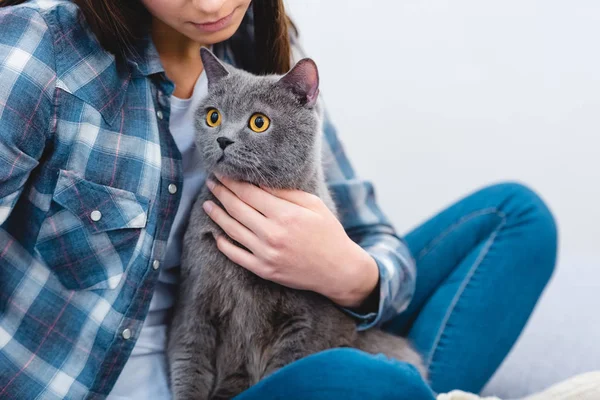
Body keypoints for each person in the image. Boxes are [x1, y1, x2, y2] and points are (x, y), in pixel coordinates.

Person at [0, 0, 557, 399]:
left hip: (299, 335)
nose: (213, 3)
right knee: (373, 383)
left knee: (515, 217)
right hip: (173, 378)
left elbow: (374, 236)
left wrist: (348, 274)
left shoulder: (260, 54)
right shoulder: (41, 49)